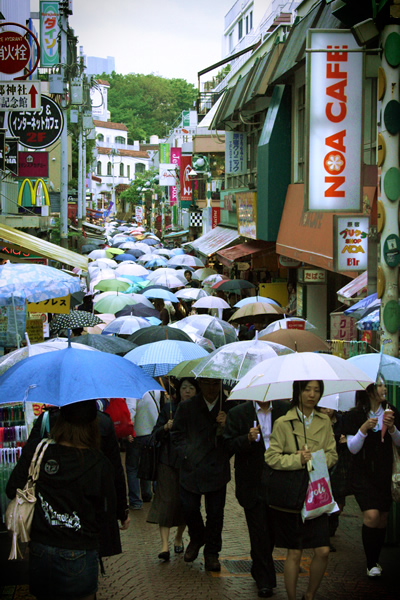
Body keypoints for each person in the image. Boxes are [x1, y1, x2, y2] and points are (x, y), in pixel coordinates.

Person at [6, 401, 117, 600]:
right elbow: (105, 514)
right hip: (80, 550)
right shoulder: (99, 463)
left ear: (60, 421)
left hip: (40, 550)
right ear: (93, 424)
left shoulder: (38, 451)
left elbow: (11, 488)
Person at [265, 380, 338, 600]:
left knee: (323, 550)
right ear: (298, 392)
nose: (312, 395)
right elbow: (271, 457)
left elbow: (333, 454)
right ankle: (292, 596)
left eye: (317, 390)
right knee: (294, 552)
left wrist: (316, 458)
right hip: (292, 495)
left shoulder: (325, 421)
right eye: (307, 389)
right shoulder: (283, 423)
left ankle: (310, 594)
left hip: (317, 493)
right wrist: (297, 459)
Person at [28, 404, 130, 559]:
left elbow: (17, 481)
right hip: (83, 539)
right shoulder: (102, 428)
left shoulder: (47, 421)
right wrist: (122, 511)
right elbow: (115, 473)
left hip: (44, 540)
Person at [224, 398, 290, 598]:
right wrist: (247, 439)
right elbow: (227, 445)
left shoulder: (285, 411)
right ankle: (265, 581)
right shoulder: (238, 413)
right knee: (258, 529)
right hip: (251, 482)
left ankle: (258, 565)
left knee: (270, 530)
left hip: (278, 479)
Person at [170, 377, 231, 572]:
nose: (211, 389)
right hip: (191, 469)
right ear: (200, 384)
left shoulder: (229, 406)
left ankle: (212, 553)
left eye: (215, 384)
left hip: (216, 469)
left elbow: (236, 439)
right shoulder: (187, 407)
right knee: (189, 508)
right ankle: (197, 538)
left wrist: (225, 427)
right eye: (207, 384)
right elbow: (176, 435)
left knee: (215, 514)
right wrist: (187, 454)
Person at [342, 380, 400, 577]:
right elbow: (352, 448)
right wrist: (364, 429)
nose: (384, 390)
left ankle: (375, 560)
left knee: (382, 518)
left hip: (384, 473)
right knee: (372, 516)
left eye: (385, 386)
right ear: (369, 390)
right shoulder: (355, 415)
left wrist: (392, 429)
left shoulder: (391, 411)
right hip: (362, 474)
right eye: (380, 386)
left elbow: (399, 441)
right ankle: (371, 562)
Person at [147, 378, 200, 561]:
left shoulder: (199, 410)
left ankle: (178, 538)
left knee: (184, 503)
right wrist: (165, 427)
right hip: (167, 461)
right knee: (166, 500)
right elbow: (154, 434)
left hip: (188, 463)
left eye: (191, 388)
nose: (187, 391)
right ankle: (164, 546)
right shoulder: (169, 408)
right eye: (184, 387)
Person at [125, 391, 162, 510]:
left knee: (133, 468)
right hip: (152, 433)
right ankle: (146, 494)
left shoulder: (133, 388)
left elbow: (131, 409)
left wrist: (129, 430)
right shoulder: (155, 388)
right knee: (147, 463)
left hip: (137, 434)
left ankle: (135, 500)